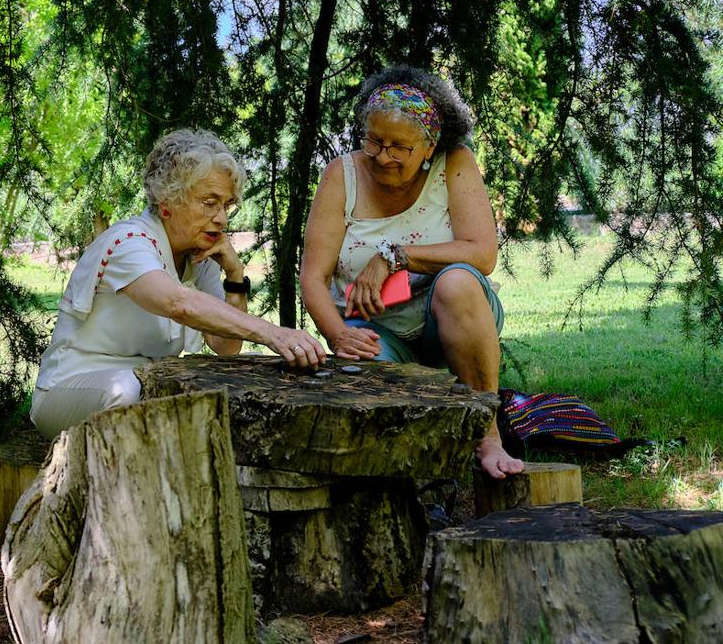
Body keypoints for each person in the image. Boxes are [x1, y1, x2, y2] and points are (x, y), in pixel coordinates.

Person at [300, 65, 524, 479]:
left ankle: (486, 432)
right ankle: (418, 484)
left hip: (450, 317)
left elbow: (482, 253)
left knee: (458, 282)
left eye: (399, 147)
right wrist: (337, 334)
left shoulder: (454, 162)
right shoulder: (341, 175)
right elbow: (312, 278)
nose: (383, 156)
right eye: (374, 141)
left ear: (429, 146)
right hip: (374, 326)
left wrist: (395, 256)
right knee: (368, 396)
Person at [31, 128, 327, 438]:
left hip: (149, 388)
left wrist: (235, 275)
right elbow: (177, 303)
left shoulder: (199, 254)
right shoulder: (128, 242)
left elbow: (225, 347)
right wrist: (271, 333)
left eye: (226, 205)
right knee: (126, 390)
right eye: (209, 202)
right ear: (167, 201)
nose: (222, 219)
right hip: (69, 390)